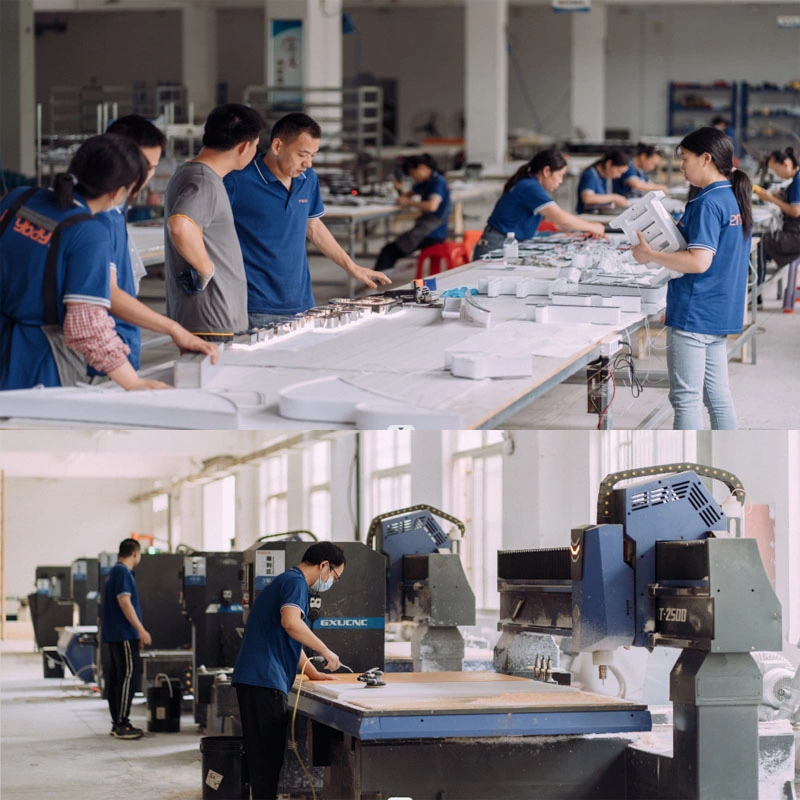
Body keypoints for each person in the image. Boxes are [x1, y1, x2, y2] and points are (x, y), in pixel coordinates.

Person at [0, 134, 171, 391]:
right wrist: (133, 382)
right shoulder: (89, 234)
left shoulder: (19, 198)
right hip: (35, 362)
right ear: (118, 191)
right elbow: (86, 326)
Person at [631, 126, 752, 430]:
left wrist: (649, 255)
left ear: (706, 158)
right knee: (717, 397)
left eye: (685, 158)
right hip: (719, 310)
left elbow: (699, 262)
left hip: (695, 313)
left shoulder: (707, 203)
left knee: (685, 399)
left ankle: (685, 463)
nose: (682, 165)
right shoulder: (731, 197)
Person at [224, 113, 391, 327]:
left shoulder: (307, 179)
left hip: (303, 302)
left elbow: (313, 227)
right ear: (277, 146)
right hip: (256, 305)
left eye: (313, 155)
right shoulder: (238, 180)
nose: (308, 163)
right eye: (302, 154)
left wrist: (352, 267)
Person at [90, 114, 219, 378]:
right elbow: (108, 294)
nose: (147, 176)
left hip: (120, 342)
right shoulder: (94, 217)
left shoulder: (116, 209)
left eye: (151, 167)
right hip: (99, 350)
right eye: (145, 166)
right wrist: (174, 328)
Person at [232, 542, 345, 800]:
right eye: (335, 577)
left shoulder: (288, 580)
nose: (331, 582)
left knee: (264, 759)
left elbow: (288, 636)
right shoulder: (296, 583)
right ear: (324, 565)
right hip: (263, 680)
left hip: (257, 679)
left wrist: (311, 672)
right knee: (266, 761)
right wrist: (326, 651)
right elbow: (292, 624)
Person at [164, 104, 266, 342]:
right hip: (212, 316)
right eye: (255, 145)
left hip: (210, 316)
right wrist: (206, 269)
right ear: (244, 147)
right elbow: (180, 225)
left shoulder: (193, 173)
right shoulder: (203, 181)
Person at [472, 149, 605, 259]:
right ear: (546, 171)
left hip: (507, 243)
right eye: (559, 175)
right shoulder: (530, 187)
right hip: (497, 245)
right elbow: (560, 218)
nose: (560, 181)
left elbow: (557, 216)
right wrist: (594, 227)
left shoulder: (530, 184)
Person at [101, 538, 152, 740]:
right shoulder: (122, 572)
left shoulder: (114, 572)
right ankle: (121, 723)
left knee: (118, 678)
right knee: (128, 676)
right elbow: (124, 602)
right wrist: (140, 630)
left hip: (116, 634)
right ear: (135, 554)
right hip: (123, 634)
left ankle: (119, 721)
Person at [374, 154, 451, 272]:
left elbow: (432, 206)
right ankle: (379, 279)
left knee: (389, 251)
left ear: (422, 168)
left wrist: (409, 202)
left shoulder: (437, 182)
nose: (412, 176)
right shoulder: (426, 182)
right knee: (391, 248)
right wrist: (399, 189)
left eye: (412, 172)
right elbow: (404, 196)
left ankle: (374, 283)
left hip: (432, 233)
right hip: (429, 230)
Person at [754, 147, 800, 312]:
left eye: (776, 169)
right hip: (795, 233)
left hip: (796, 237)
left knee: (758, 243)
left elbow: (795, 211)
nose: (776, 174)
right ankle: (756, 291)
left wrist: (771, 198)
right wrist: (782, 196)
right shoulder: (795, 181)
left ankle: (755, 296)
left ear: (786, 163)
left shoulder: (798, 181)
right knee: (764, 242)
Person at [575, 149, 630, 214]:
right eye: (618, 171)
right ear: (609, 164)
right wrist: (614, 197)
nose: (619, 176)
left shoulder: (604, 177)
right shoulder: (590, 175)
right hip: (587, 217)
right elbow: (587, 198)